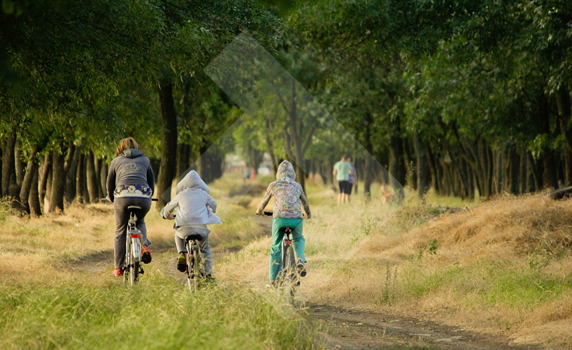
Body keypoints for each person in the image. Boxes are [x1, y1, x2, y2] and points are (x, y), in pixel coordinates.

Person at [256, 160, 311, 287]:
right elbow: (305, 204)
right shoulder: (297, 186)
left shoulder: (273, 185)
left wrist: (259, 211)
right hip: (296, 219)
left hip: (279, 219)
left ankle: (272, 280)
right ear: (293, 174)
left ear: (278, 173)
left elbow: (263, 202)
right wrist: (308, 215)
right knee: (298, 238)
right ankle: (300, 259)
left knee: (275, 246)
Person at [107, 137, 154, 277]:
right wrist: (149, 195)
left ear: (120, 148)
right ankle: (144, 245)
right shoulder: (145, 160)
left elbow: (110, 183)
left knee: (120, 229)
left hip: (122, 196)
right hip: (143, 196)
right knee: (140, 221)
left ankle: (119, 267)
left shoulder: (115, 161)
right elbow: (151, 181)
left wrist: (110, 197)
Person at [160, 170, 222, 278]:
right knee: (205, 249)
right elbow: (214, 205)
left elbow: (168, 209)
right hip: (200, 228)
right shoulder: (203, 194)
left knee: (178, 235)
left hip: (184, 228)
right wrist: (211, 211)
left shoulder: (181, 194)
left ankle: (182, 253)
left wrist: (166, 215)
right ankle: (208, 273)